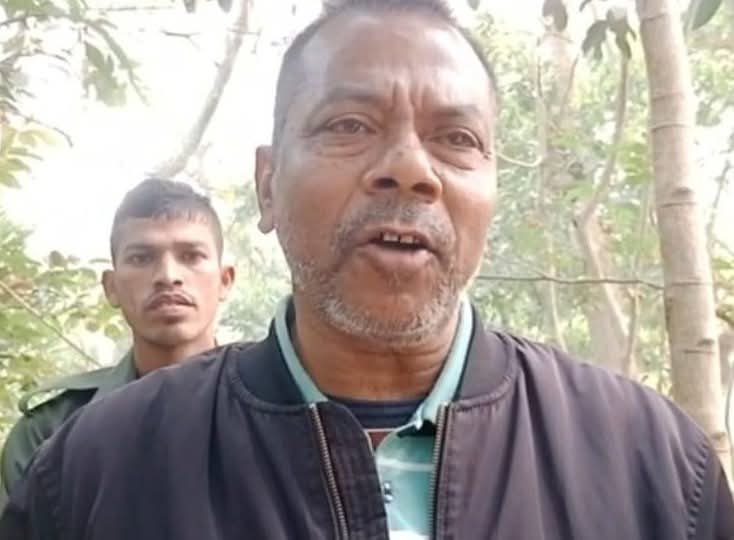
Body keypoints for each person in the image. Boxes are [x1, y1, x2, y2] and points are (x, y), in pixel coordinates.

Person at [2, 1, 733, 538]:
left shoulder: (655, 468)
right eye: (349, 126)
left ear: (493, 188)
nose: (411, 169)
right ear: (267, 186)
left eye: (457, 138)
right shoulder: (97, 472)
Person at [0, 178, 234, 507]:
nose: (168, 276)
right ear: (111, 286)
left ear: (225, 280)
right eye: (142, 258)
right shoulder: (50, 431)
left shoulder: (277, 409)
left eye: (191, 256)